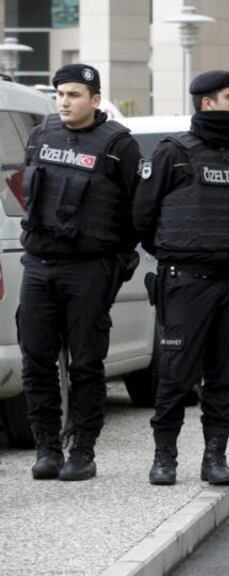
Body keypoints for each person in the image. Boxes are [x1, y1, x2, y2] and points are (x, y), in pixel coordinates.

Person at [19, 63, 141, 481]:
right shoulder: (41, 134)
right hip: (38, 265)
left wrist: (117, 264)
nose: (65, 102)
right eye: (60, 95)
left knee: (86, 364)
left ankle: (83, 451)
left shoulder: (118, 146)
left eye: (74, 94)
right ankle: (47, 448)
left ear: (94, 98)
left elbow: (134, 214)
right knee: (36, 361)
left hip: (88, 268)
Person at [134, 70, 229, 486]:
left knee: (224, 375)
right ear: (208, 103)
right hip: (185, 281)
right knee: (175, 374)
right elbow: (142, 216)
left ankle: (215, 458)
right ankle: (164, 457)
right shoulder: (173, 153)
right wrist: (175, 253)